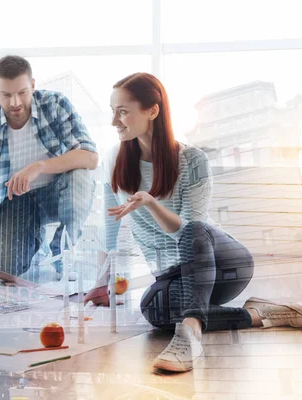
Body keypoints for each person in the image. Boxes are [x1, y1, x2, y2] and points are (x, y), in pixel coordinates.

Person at [84, 72, 302, 373]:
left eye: (123, 112)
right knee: (153, 311)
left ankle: (188, 336)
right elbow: (110, 229)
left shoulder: (192, 160)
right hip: (174, 275)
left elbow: (193, 233)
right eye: (113, 111)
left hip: (221, 263)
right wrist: (101, 285)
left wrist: (150, 203)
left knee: (195, 232)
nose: (114, 121)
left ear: (152, 110)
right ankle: (261, 315)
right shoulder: (114, 162)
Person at [0, 55, 98, 286]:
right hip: (17, 201)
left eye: (22, 92)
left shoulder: (55, 104)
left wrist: (39, 167)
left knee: (81, 175)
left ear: (33, 84)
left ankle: (64, 252)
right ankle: (36, 241)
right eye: (6, 95)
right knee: (5, 271)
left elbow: (90, 157)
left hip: (58, 192)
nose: (15, 102)